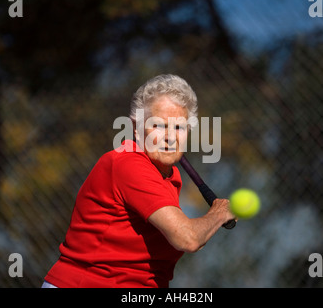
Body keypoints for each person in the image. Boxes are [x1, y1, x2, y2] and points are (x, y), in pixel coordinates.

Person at [42, 74, 236, 288]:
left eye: (179, 128)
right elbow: (188, 238)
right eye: (159, 126)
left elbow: (190, 238)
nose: (170, 137)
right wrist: (219, 213)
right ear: (136, 128)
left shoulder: (169, 176)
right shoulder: (129, 164)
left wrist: (209, 222)